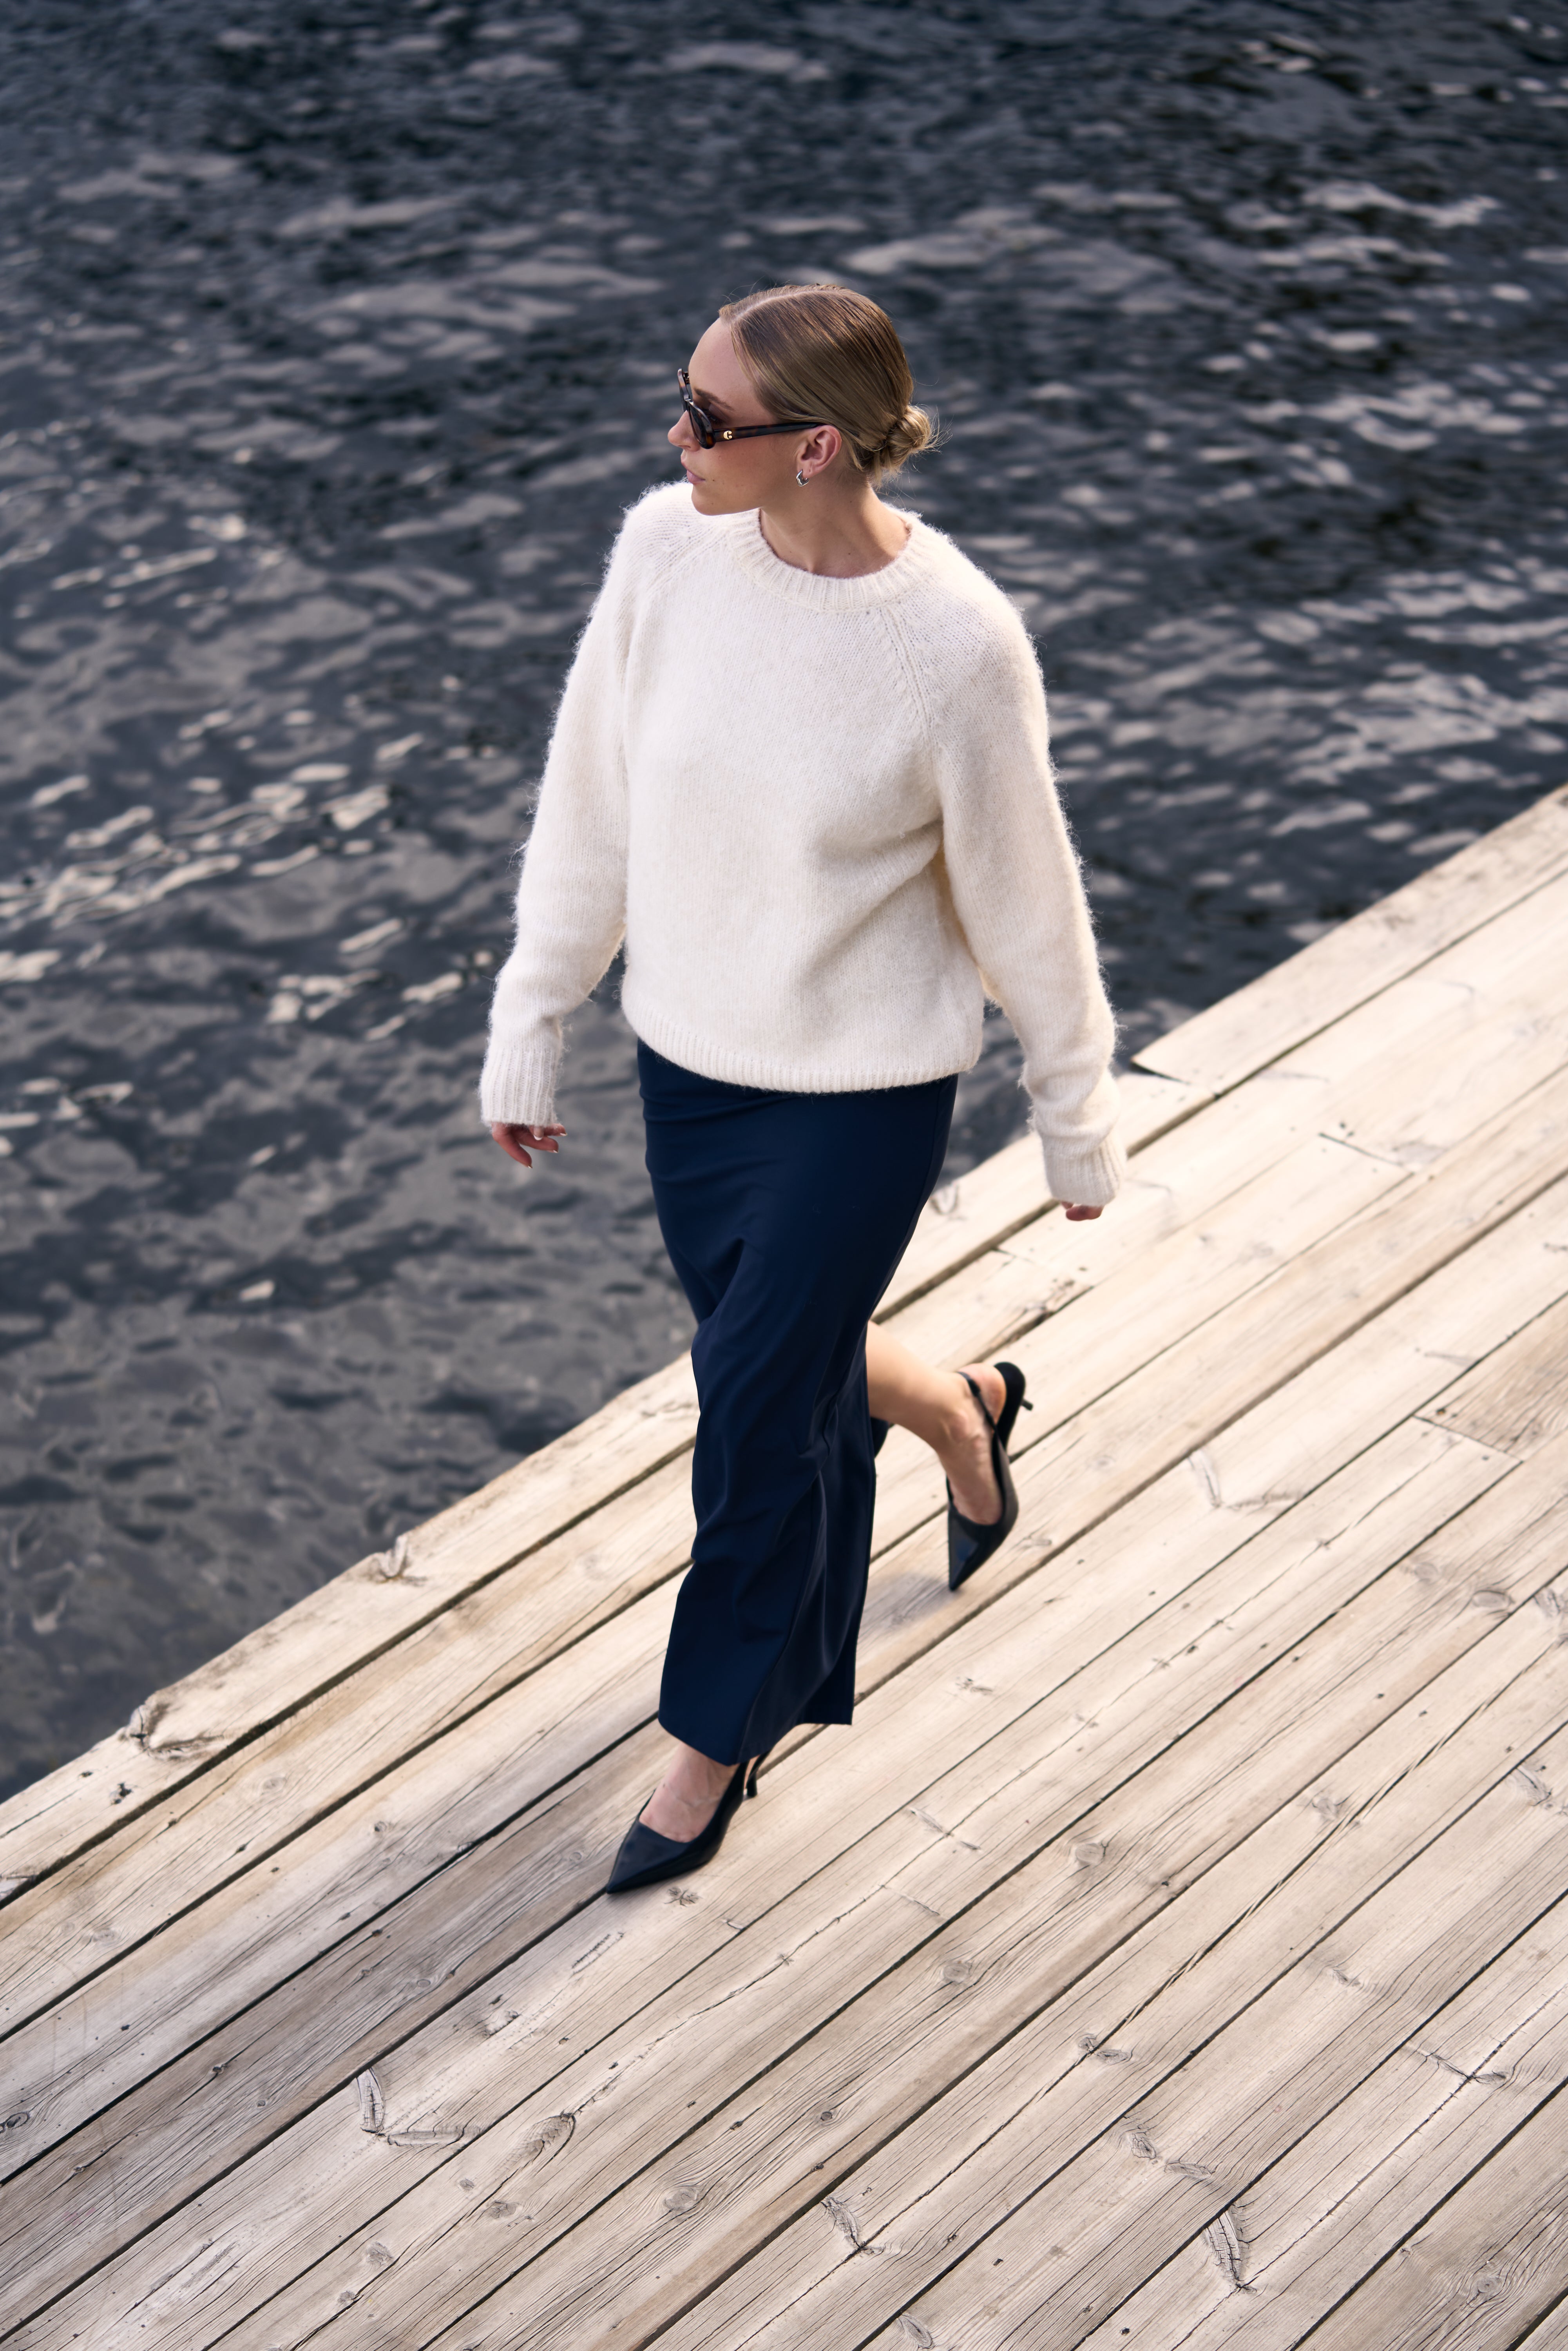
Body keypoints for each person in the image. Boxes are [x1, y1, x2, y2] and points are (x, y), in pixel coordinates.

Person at [481, 284, 1121, 1894]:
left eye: (706, 417)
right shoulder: (664, 554)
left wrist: (1073, 1110)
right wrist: (534, 1013)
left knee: (756, 1412)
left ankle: (716, 1736)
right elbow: (590, 799)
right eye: (683, 400)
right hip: (692, 1072)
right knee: (775, 1355)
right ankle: (963, 1411)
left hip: (859, 1096)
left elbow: (1024, 898)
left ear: (816, 444)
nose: (674, 435)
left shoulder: (953, 645)